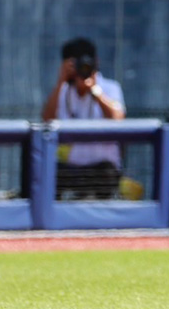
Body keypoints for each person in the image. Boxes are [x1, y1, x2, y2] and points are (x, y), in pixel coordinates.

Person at [41, 37, 126, 200]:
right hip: (70, 168)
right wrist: (61, 81)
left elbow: (118, 118)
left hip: (102, 170)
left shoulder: (109, 87)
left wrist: (94, 91)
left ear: (96, 62)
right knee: (47, 174)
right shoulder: (63, 91)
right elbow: (47, 120)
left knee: (106, 177)